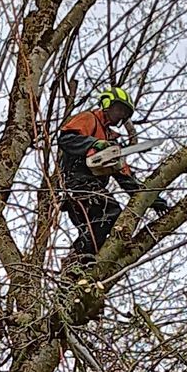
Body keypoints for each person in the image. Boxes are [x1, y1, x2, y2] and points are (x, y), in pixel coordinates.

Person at [56, 85, 142, 260]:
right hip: (79, 182)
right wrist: (93, 143)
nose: (121, 115)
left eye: (125, 113)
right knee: (109, 213)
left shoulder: (110, 139)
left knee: (99, 229)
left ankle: (80, 263)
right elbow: (66, 139)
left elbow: (123, 174)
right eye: (119, 109)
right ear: (107, 104)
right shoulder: (90, 119)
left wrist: (149, 197)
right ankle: (79, 256)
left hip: (92, 187)